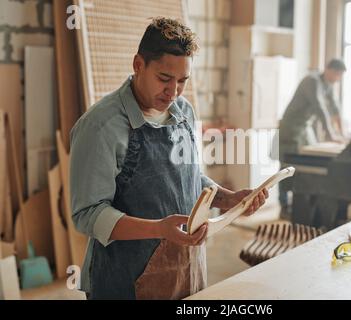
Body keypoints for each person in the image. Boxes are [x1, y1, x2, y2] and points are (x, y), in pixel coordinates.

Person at [70, 17, 268, 300]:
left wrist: (230, 199)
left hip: (186, 270)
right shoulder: (101, 126)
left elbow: (187, 179)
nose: (173, 92)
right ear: (138, 65)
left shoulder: (184, 112)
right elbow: (87, 214)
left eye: (182, 81)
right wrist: (159, 229)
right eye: (164, 79)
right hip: (125, 281)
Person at [276, 59, 347, 223]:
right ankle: (284, 207)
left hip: (305, 128)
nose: (338, 79)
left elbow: (335, 109)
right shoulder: (312, 81)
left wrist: (342, 134)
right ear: (328, 70)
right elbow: (320, 108)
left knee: (307, 165)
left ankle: (302, 207)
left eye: (340, 76)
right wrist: (331, 135)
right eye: (337, 74)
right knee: (286, 167)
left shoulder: (327, 85)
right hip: (291, 128)